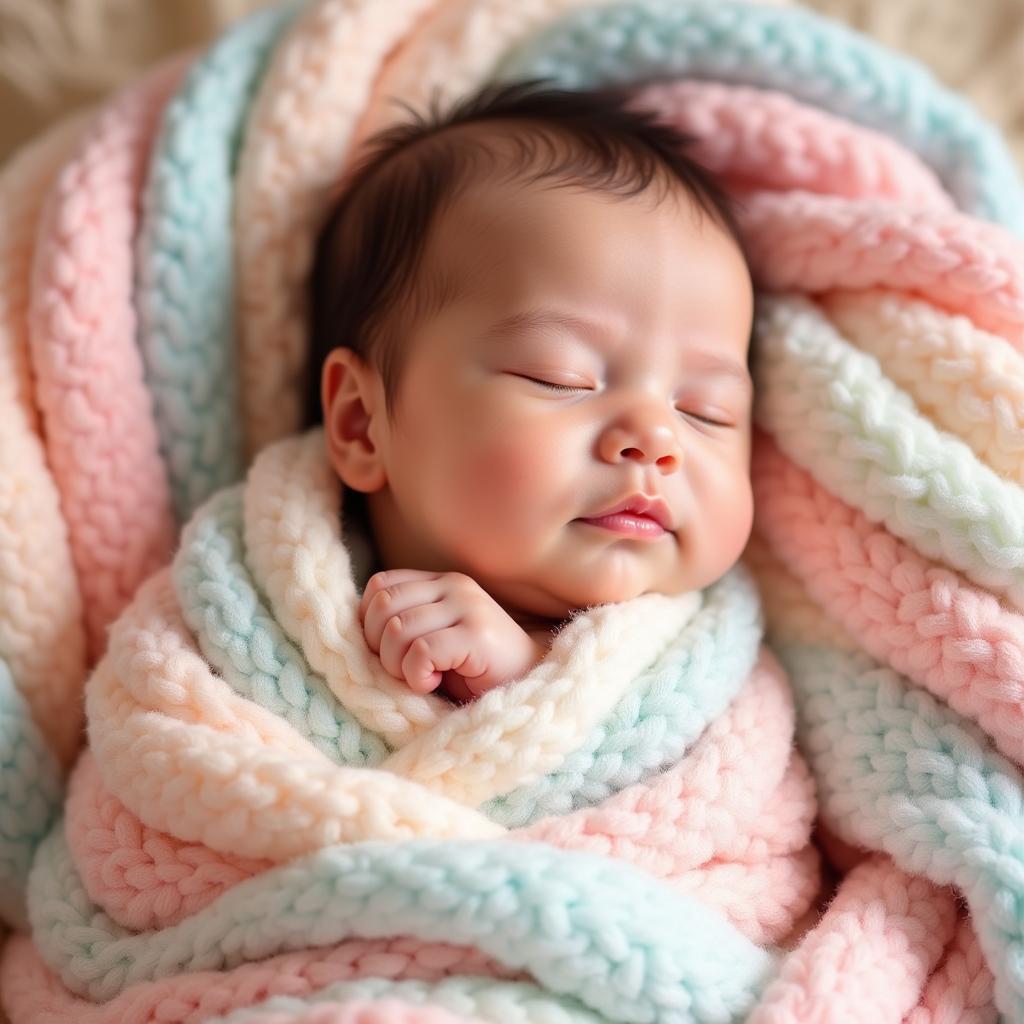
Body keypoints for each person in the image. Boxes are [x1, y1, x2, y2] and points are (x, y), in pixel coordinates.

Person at [306, 77, 755, 704]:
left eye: (708, 412)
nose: (657, 438)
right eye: (560, 377)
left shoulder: (714, 663)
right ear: (361, 421)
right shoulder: (270, 594)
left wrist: (525, 673)